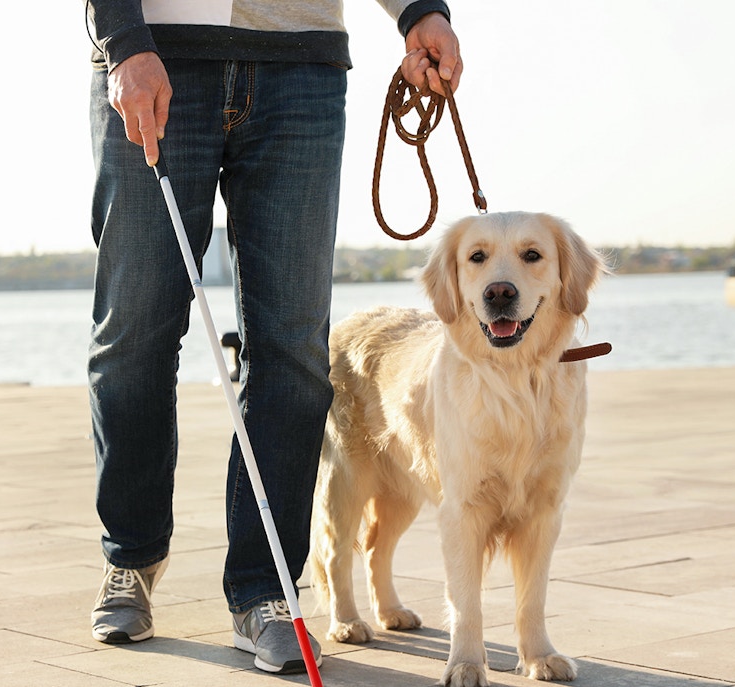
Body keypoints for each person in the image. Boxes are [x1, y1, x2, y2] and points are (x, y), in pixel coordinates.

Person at [85, 0, 463, 675]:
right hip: (154, 53)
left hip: (301, 68)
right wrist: (122, 40)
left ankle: (266, 592)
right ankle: (132, 558)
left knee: (293, 350)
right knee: (134, 333)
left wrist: (417, 13)